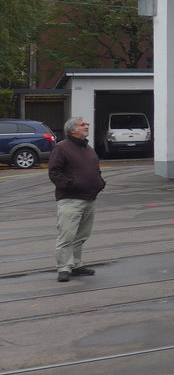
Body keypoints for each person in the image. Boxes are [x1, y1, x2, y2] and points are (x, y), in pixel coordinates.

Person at [48, 116, 106, 282]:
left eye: (87, 124)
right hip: (70, 200)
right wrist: (71, 185)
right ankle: (64, 268)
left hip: (89, 198)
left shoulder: (87, 148)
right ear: (72, 130)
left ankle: (76, 265)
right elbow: (54, 172)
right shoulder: (62, 148)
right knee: (67, 235)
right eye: (82, 125)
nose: (87, 126)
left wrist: (100, 183)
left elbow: (95, 168)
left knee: (81, 235)